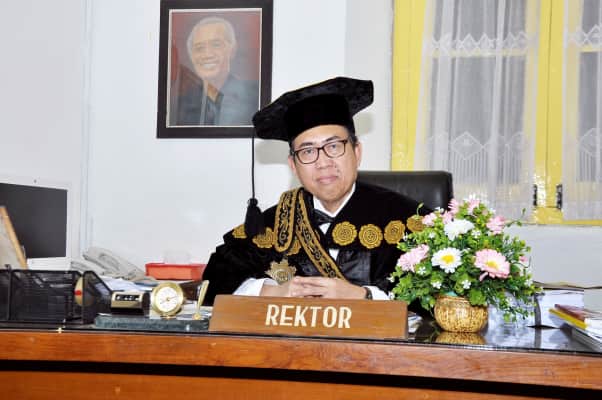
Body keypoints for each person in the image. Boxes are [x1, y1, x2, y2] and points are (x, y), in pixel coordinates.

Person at [203, 77, 429, 305]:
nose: (322, 163)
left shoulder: (408, 220)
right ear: (293, 166)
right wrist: (272, 292)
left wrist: (363, 296)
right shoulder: (276, 222)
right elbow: (214, 282)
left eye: (334, 146)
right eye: (308, 151)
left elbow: (436, 298)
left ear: (357, 152)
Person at [172, 16, 259, 126]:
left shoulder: (254, 95)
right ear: (191, 56)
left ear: (232, 50)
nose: (207, 54)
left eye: (216, 45)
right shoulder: (181, 105)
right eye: (199, 48)